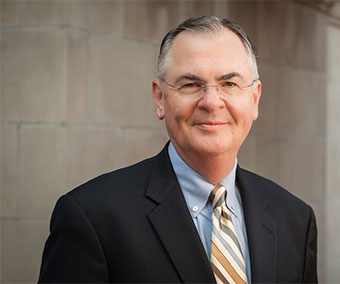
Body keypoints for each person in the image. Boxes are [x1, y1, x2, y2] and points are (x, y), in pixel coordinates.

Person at [39, 15, 317, 283]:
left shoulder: (295, 219)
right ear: (160, 98)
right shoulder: (91, 218)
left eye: (229, 83)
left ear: (254, 98)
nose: (211, 101)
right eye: (191, 84)